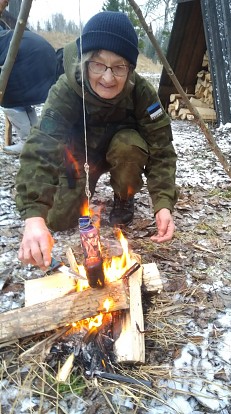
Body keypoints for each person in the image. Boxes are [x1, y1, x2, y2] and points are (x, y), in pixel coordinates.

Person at [15, 11, 179, 270]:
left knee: (129, 146)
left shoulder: (142, 93)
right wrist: (34, 216)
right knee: (57, 220)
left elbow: (162, 149)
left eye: (119, 67)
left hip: (121, 151)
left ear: (131, 69)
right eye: (98, 64)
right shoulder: (67, 89)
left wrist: (163, 204)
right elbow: (41, 146)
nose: (107, 77)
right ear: (85, 62)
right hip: (80, 156)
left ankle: (124, 196)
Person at [0, 29, 59, 154]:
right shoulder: (4, 35)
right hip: (43, 52)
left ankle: (27, 143)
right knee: (23, 102)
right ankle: (37, 139)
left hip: (29, 56)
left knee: (9, 100)